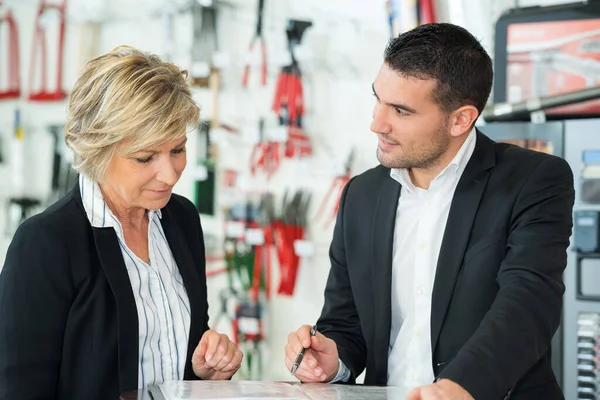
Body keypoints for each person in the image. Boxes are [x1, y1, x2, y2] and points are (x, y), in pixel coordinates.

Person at [284, 23, 574, 400]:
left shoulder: (533, 181)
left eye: (401, 111)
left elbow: (528, 303)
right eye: (378, 99)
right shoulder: (362, 194)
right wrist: (332, 359)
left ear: (460, 119)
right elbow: (346, 321)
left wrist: (461, 386)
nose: (377, 123)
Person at [0, 46, 242, 400]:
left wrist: (204, 370)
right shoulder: (46, 243)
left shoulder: (182, 220)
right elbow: (19, 390)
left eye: (178, 150)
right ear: (97, 149)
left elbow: (179, 353)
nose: (170, 174)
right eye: (145, 157)